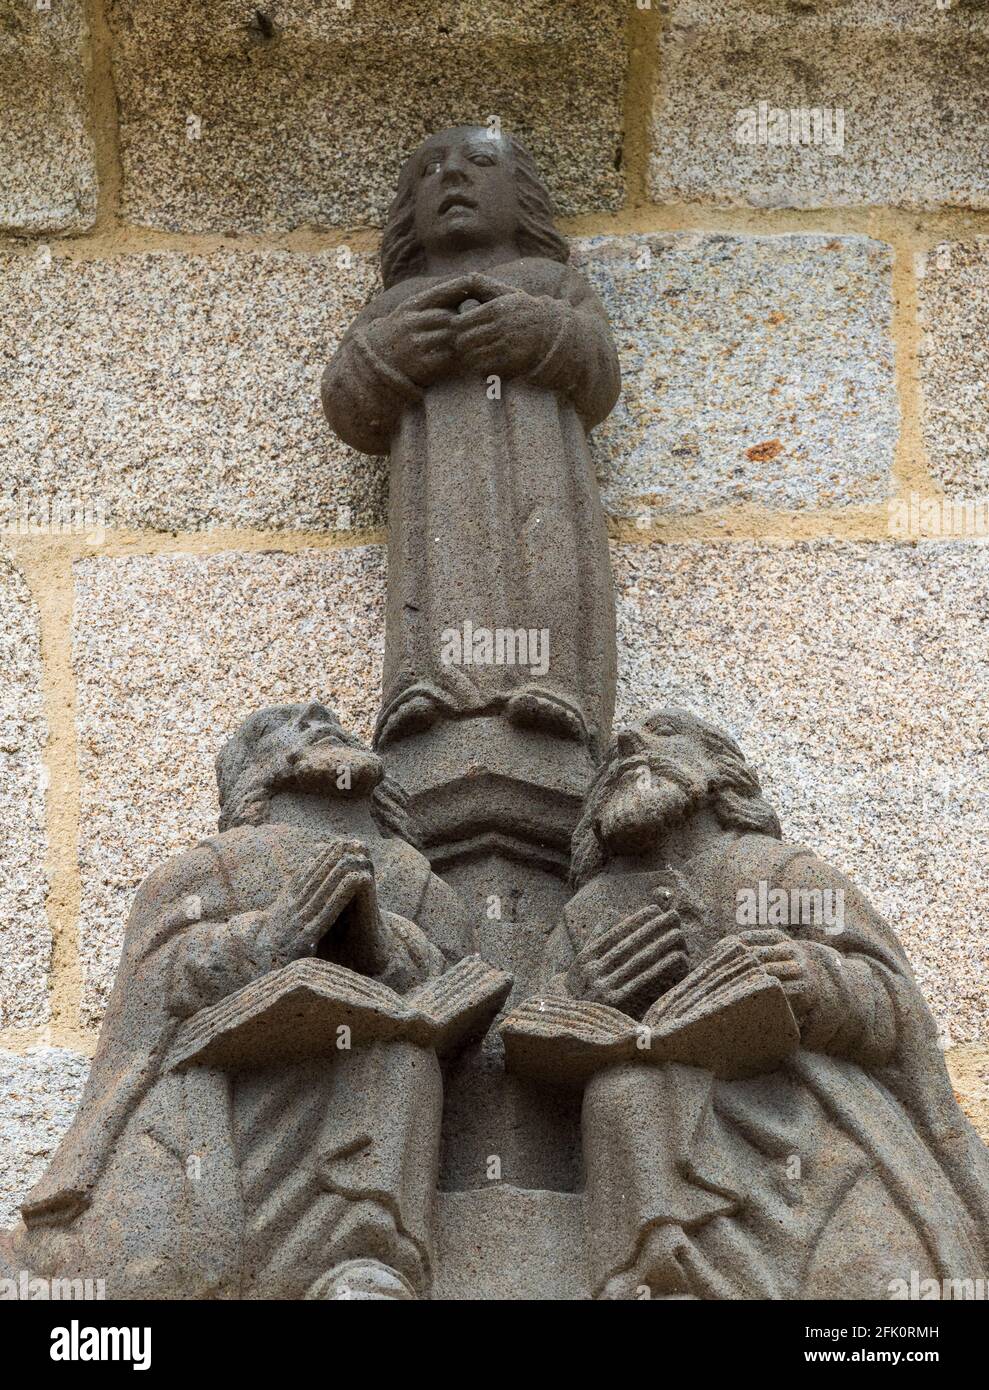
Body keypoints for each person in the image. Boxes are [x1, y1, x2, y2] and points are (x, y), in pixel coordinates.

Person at [322, 126, 620, 755]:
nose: (452, 176)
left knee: (547, 549)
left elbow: (599, 372)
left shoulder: (548, 281)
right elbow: (347, 401)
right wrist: (388, 356)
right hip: (435, 472)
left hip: (539, 461)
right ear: (409, 213)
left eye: (480, 162)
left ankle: (555, 684)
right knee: (433, 556)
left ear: (524, 198)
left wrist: (542, 334)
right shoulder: (395, 304)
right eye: (429, 170)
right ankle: (428, 688)